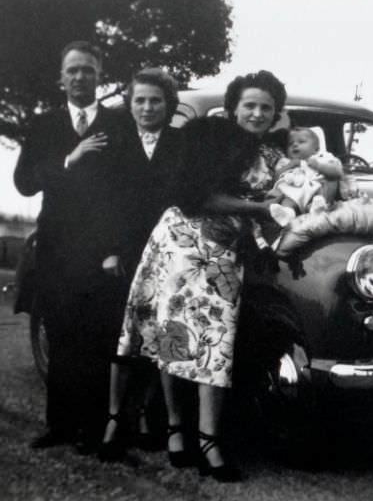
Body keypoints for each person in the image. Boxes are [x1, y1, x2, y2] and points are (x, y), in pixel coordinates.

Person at [116, 70, 287, 482]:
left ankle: (209, 439)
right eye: (250, 105)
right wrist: (261, 209)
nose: (257, 113)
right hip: (183, 243)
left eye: (266, 107)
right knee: (173, 335)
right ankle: (177, 428)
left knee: (215, 340)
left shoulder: (274, 156)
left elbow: (298, 190)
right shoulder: (207, 136)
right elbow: (196, 196)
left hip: (226, 251)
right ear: (233, 108)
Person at [13, 40, 130, 453]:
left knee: (96, 337)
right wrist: (69, 159)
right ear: (61, 78)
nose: (81, 77)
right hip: (56, 247)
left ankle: (91, 430)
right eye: (73, 70)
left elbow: (125, 193)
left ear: (101, 75)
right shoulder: (44, 125)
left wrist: (115, 247)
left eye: (89, 70)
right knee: (60, 335)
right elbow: (24, 182)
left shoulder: (118, 124)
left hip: (101, 249)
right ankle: (59, 425)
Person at [98, 67, 184, 461]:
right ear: (129, 104)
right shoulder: (114, 143)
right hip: (127, 250)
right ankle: (115, 418)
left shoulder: (182, 144)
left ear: (168, 105)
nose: (148, 107)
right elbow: (103, 203)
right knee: (125, 335)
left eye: (156, 100)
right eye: (140, 100)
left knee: (160, 334)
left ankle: (152, 414)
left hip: (169, 251)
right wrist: (111, 249)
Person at [268, 126, 345, 226]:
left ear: (316, 149)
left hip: (318, 193)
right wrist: (290, 165)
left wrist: (318, 166)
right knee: (287, 197)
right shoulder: (285, 161)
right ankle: (287, 213)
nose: (295, 145)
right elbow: (276, 178)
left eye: (301, 142)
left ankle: (319, 208)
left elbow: (337, 172)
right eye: (290, 144)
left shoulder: (322, 157)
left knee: (331, 179)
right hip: (295, 194)